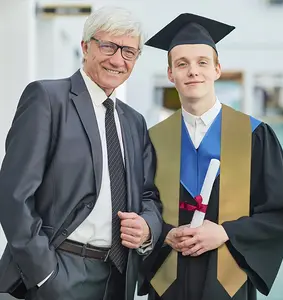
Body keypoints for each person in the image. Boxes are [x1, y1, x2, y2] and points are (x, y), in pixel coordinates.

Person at [0, 6, 162, 300]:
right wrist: (44, 273)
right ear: (85, 46)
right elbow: (14, 195)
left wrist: (148, 227)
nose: (117, 59)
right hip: (58, 271)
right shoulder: (48, 100)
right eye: (108, 46)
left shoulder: (134, 122)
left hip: (117, 276)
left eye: (129, 52)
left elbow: (148, 194)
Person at [138, 13, 283, 300]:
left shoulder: (255, 135)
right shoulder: (153, 140)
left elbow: (279, 213)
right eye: (182, 64)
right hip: (169, 282)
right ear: (170, 74)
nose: (193, 71)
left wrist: (226, 233)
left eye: (202, 62)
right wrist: (164, 234)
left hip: (228, 281)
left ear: (217, 69)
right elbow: (140, 205)